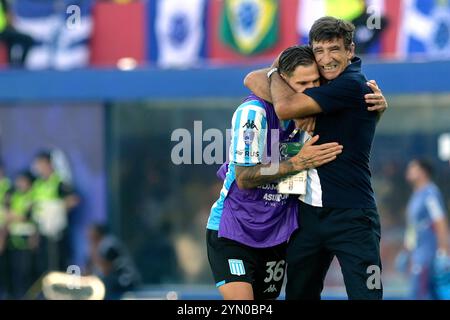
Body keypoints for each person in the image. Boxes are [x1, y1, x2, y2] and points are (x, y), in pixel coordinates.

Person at [245, 16, 386, 300]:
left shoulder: (353, 84)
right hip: (305, 214)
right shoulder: (317, 81)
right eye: (319, 51)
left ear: (351, 51)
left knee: (367, 297)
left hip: (352, 216)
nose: (327, 59)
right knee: (299, 295)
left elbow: (283, 106)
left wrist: (291, 101)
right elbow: (250, 78)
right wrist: (290, 92)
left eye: (334, 49)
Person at [404, 158, 449, 300]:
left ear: (423, 172)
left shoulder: (430, 193)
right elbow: (413, 227)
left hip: (428, 254)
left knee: (422, 292)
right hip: (418, 252)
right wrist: (409, 251)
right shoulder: (416, 195)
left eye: (413, 168)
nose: (409, 171)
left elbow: (440, 221)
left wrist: (443, 251)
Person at [31, 150, 79, 273]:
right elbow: (36, 208)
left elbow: (74, 200)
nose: (38, 167)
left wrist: (55, 210)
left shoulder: (59, 181)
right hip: (43, 231)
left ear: (49, 164)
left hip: (57, 231)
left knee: (59, 262)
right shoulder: (38, 184)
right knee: (44, 264)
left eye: (41, 164)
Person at [3, 170, 39, 299]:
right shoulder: (13, 195)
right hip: (14, 239)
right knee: (14, 270)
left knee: (27, 270)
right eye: (18, 181)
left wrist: (14, 216)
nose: (20, 184)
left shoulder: (33, 195)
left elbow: (27, 216)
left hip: (29, 239)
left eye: (23, 181)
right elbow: (7, 216)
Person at [87, 224, 141, 300]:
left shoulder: (109, 244)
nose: (88, 235)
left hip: (127, 281)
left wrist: (93, 251)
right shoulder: (101, 245)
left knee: (101, 285)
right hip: (118, 281)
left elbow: (106, 269)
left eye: (91, 233)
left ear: (97, 233)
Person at [0, 0, 34, 67]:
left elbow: (9, 18)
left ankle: (15, 64)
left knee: (26, 39)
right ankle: (19, 64)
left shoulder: (3, 2)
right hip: (3, 31)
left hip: (5, 31)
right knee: (27, 40)